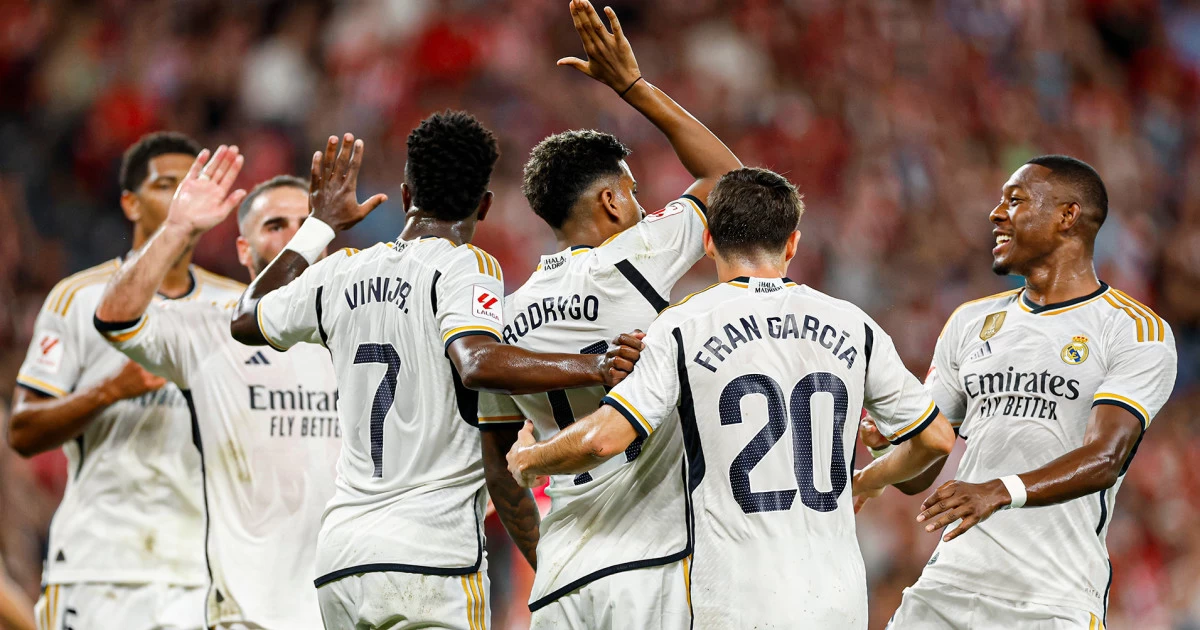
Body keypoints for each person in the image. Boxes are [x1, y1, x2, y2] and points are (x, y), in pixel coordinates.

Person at [228, 117, 642, 629]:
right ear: (483, 206)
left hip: (342, 558)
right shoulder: (465, 266)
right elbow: (476, 361)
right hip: (430, 556)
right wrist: (595, 366)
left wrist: (320, 225)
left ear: (406, 195)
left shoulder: (338, 271)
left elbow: (246, 318)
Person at [506, 167, 957, 629]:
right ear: (792, 245)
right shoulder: (854, 325)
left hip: (734, 599)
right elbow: (938, 439)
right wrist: (867, 480)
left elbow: (602, 440)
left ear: (708, 242)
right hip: (838, 602)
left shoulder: (683, 326)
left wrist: (529, 459)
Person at [477, 1, 740, 627]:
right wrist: (633, 86)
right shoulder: (635, 256)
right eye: (634, 193)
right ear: (611, 201)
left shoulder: (506, 317)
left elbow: (502, 474)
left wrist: (548, 562)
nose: (642, 207)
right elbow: (729, 179)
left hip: (561, 574)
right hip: (652, 558)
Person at [872, 156, 1178, 629]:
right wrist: (890, 440)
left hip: (1050, 600)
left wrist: (1000, 491)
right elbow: (921, 470)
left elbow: (1106, 457)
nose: (996, 214)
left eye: (1014, 201)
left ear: (1067, 216)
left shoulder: (1133, 330)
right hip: (946, 588)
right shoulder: (969, 322)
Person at [93, 145, 343, 629]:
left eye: (308, 224)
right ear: (244, 251)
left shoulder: (359, 334)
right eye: (276, 226)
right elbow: (115, 318)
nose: (298, 238)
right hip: (248, 616)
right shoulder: (209, 330)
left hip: (347, 608)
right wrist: (176, 228)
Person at [8, 132, 246, 630]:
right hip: (100, 567)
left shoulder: (235, 306)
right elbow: (23, 430)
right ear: (130, 204)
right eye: (166, 185)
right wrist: (108, 391)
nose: (183, 196)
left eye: (192, 183)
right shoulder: (77, 298)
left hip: (202, 570)